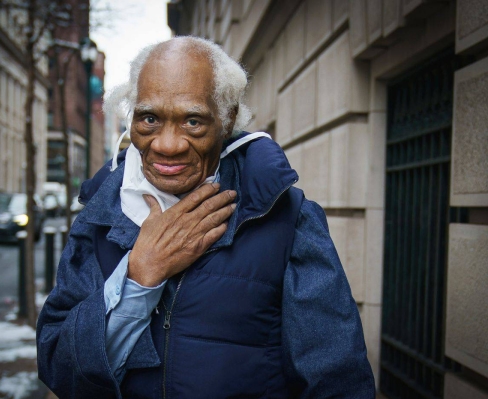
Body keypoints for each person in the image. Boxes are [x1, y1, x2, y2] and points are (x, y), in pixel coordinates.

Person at [37, 36, 375, 398]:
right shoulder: (99, 214)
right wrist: (139, 277)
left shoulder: (287, 220)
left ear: (227, 119)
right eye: (149, 118)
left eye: (193, 121)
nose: (168, 144)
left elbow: (337, 384)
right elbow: (59, 368)